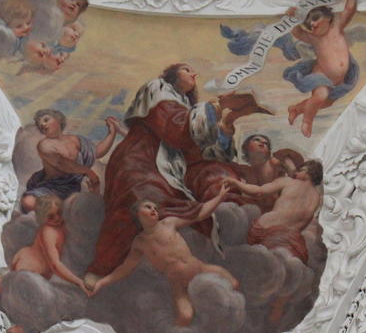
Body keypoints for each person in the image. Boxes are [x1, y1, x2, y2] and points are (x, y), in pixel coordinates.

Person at [86, 63, 254, 279]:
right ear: (172, 74)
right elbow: (175, 130)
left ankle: (227, 251)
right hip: (139, 160)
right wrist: (218, 106)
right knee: (142, 198)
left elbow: (198, 147)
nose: (194, 73)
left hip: (172, 166)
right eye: (187, 69)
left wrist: (227, 125)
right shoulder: (158, 88)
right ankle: (103, 268)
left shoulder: (185, 104)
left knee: (220, 176)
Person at [91, 188, 239, 333]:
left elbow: (200, 213)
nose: (153, 210)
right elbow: (125, 268)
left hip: (199, 269)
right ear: (138, 214)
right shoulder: (140, 243)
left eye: (155, 207)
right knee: (185, 315)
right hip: (177, 283)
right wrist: (102, 282)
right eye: (148, 207)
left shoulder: (169, 223)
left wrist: (220, 196)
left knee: (232, 284)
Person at [0, 195, 88, 333]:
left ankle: (19, 330)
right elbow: (55, 264)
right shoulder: (50, 231)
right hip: (28, 265)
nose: (57, 218)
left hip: (33, 271)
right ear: (44, 218)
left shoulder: (61, 229)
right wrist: (77, 281)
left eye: (59, 213)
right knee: (18, 282)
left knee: (43, 305)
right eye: (51, 217)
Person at [283, 0, 359, 137]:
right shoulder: (313, 38)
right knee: (320, 96)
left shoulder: (337, 27)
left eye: (315, 19)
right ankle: (307, 121)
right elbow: (297, 32)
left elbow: (349, 9)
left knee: (326, 103)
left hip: (340, 79)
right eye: (309, 24)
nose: (312, 24)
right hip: (321, 75)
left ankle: (296, 109)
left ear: (328, 18)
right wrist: (290, 18)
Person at [223, 159, 323, 264]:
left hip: (265, 230)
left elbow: (258, 192)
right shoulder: (317, 198)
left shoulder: (289, 182)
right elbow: (303, 223)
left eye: (300, 170)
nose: (296, 173)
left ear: (308, 172)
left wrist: (236, 183)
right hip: (291, 240)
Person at [21, 109, 119, 212]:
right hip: (51, 188)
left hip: (72, 189)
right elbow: (61, 162)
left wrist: (112, 132)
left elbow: (97, 152)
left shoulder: (76, 140)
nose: (43, 125)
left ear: (58, 119)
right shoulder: (45, 144)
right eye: (40, 125)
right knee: (28, 202)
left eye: (46, 120)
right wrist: (88, 171)